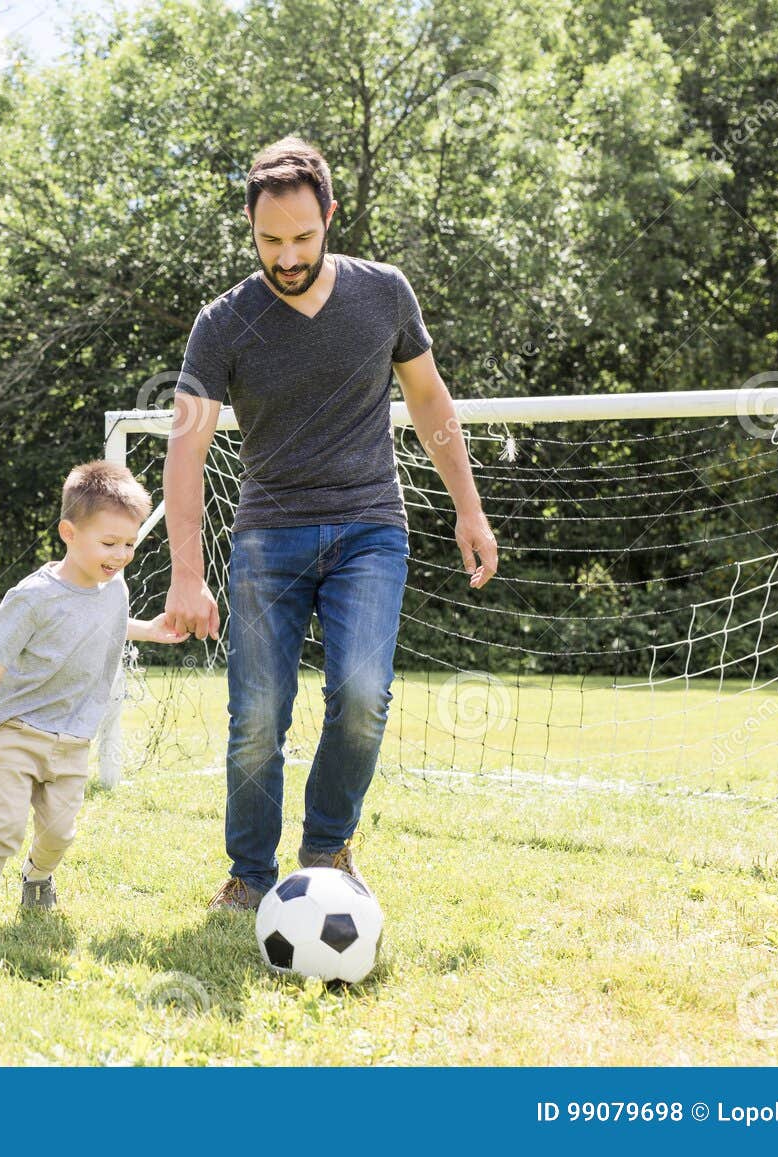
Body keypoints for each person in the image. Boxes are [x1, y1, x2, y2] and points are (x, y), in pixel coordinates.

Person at [161, 135, 499, 910]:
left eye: (303, 238)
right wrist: (187, 570)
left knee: (360, 694)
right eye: (269, 240)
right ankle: (249, 877)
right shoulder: (223, 323)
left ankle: (324, 849)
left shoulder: (384, 294)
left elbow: (430, 402)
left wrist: (469, 508)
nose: (286, 256)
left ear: (331, 217)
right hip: (266, 538)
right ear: (250, 229)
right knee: (255, 718)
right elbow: (187, 449)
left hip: (369, 527)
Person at [0, 460, 188, 931]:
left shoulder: (113, 588)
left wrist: (152, 631)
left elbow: (108, 628)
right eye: (109, 543)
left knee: (59, 832)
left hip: (76, 735)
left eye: (130, 545)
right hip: (19, 727)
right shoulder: (33, 597)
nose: (120, 555)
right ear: (69, 533)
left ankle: (37, 876)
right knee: (7, 824)